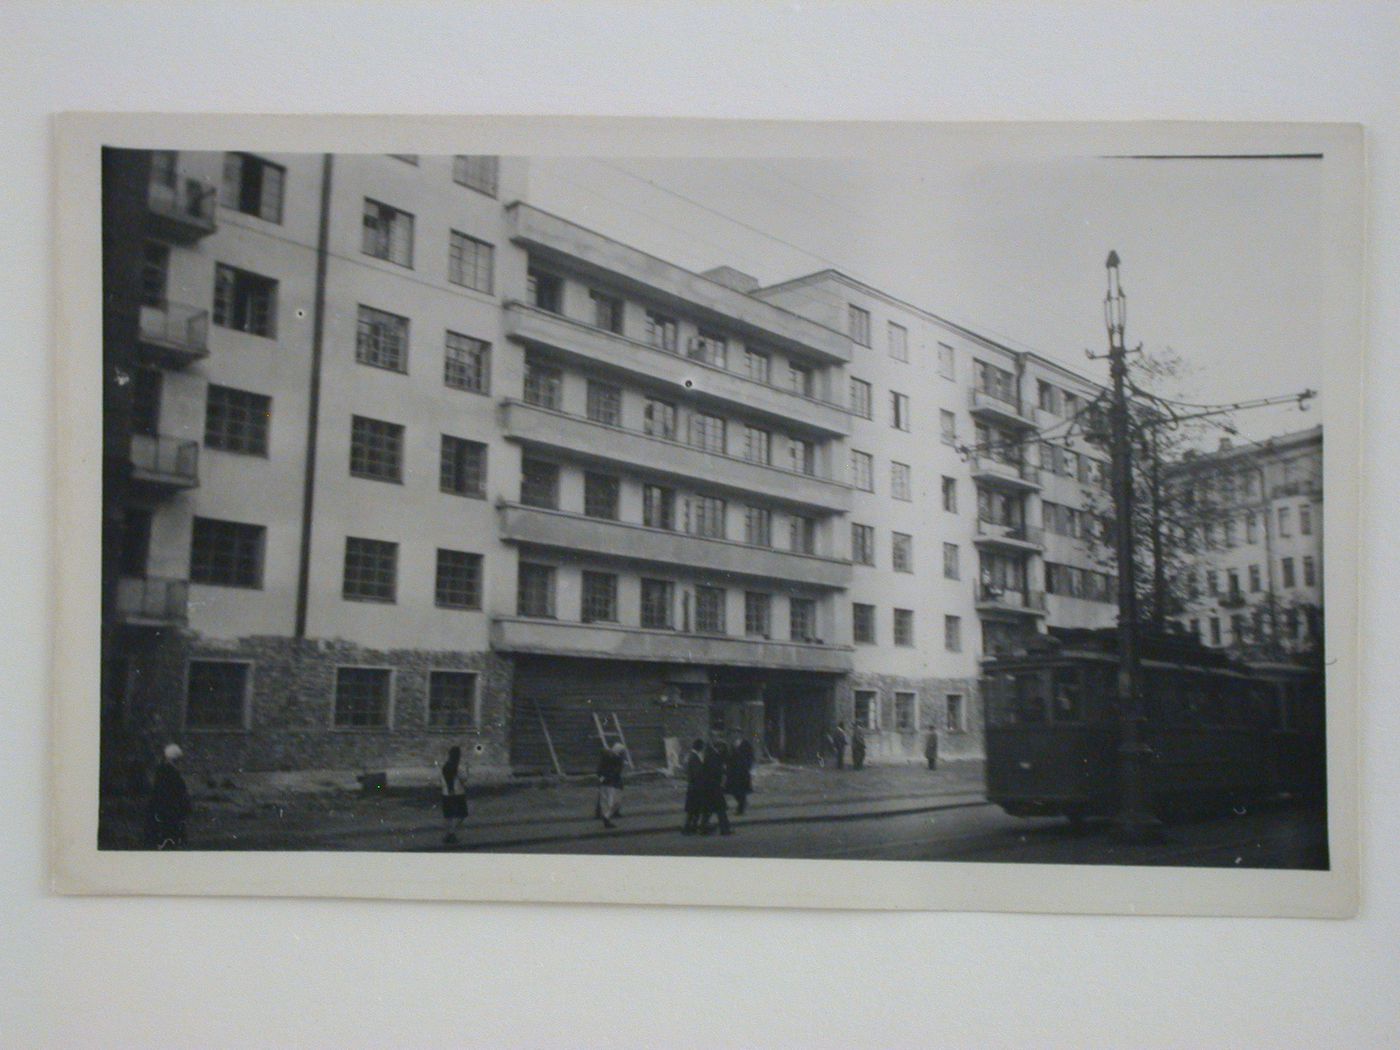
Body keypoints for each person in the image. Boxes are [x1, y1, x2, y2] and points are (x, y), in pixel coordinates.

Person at [144, 743, 191, 850]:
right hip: (170, 807)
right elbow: (179, 791)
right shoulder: (172, 773)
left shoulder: (160, 772)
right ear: (176, 759)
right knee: (170, 833)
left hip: (161, 806)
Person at [697, 740, 732, 835]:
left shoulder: (711, 755)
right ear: (719, 747)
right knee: (720, 809)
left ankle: (704, 829)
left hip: (710, 788)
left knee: (709, 810)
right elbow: (713, 772)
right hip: (713, 788)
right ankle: (724, 829)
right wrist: (722, 774)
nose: (724, 751)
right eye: (723, 748)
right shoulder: (713, 757)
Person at [440, 745, 468, 845]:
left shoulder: (445, 766)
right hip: (458, 793)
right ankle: (452, 833)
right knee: (462, 814)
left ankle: (449, 834)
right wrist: (468, 771)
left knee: (448, 816)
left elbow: (442, 779)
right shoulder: (459, 767)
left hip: (446, 793)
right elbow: (464, 779)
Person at [597, 742, 626, 829]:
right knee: (613, 800)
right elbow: (615, 771)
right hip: (612, 782)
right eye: (622, 752)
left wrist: (602, 779)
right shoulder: (616, 759)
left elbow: (600, 769)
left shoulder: (609, 757)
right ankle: (606, 818)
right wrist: (605, 778)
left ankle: (605, 816)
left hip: (609, 781)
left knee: (608, 800)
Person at [726, 735, 755, 815]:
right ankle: (743, 804)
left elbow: (751, 756)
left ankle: (741, 809)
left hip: (743, 772)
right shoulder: (732, 744)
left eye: (736, 732)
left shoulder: (746, 744)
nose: (734, 734)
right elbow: (730, 757)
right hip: (734, 772)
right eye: (734, 732)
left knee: (741, 791)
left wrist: (748, 766)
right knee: (735, 791)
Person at [682, 738, 706, 834]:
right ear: (699, 747)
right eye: (702, 747)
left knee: (692, 810)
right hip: (696, 788)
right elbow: (697, 773)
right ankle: (689, 828)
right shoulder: (694, 757)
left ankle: (689, 828)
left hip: (692, 787)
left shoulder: (691, 756)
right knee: (695, 810)